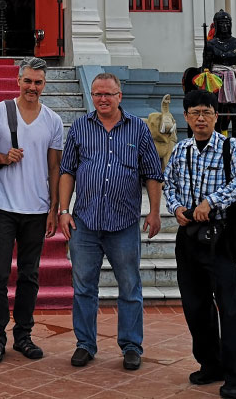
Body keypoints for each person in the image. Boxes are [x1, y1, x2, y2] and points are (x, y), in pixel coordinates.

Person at [58, 73, 163, 371]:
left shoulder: (138, 130)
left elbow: (153, 174)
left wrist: (154, 212)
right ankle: (85, 344)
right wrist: (63, 210)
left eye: (108, 93)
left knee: (129, 286)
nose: (102, 99)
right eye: (97, 94)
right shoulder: (80, 127)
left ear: (120, 95)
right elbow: (67, 170)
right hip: (85, 223)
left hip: (124, 223)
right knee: (83, 288)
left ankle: (131, 345)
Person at [164, 89, 236, 399]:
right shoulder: (180, 150)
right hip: (188, 237)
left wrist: (212, 202)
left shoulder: (231, 147)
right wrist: (175, 208)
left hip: (221, 236)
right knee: (195, 305)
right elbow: (170, 184)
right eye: (194, 113)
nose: (200, 118)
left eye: (206, 112)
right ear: (186, 117)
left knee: (229, 307)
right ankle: (211, 363)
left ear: (217, 116)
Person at [0, 56, 63, 364]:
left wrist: (55, 207)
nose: (32, 87)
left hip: (37, 208)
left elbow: (54, 165)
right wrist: (2, 158)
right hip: (2, 205)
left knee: (29, 275)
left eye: (38, 82)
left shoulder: (53, 120)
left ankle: (23, 335)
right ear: (18, 80)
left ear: (45, 84)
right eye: (27, 80)